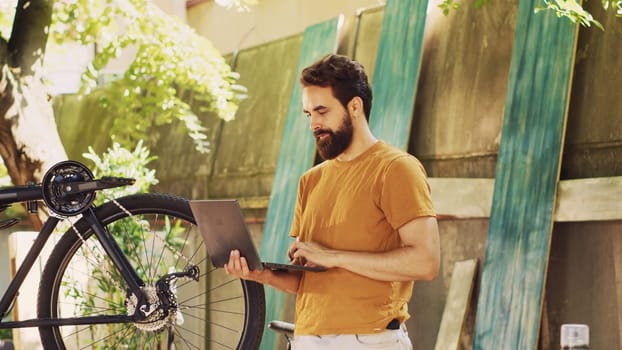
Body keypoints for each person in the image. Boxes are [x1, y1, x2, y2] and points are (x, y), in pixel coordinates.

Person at [225, 54, 440, 350]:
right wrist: (258, 272)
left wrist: (334, 256)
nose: (313, 123)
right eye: (308, 113)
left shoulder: (396, 168)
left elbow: (426, 262)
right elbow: (306, 280)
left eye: (322, 111)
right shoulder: (310, 181)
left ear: (355, 106)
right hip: (308, 338)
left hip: (371, 339)